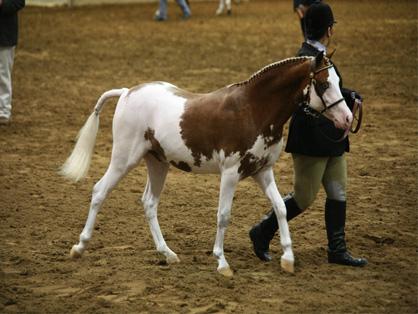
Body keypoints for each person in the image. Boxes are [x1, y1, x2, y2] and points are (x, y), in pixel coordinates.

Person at [249, 1, 367, 267]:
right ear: (329, 29)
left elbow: (327, 91)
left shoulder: (317, 57)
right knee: (304, 197)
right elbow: (308, 97)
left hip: (332, 136)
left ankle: (337, 249)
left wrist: (349, 95)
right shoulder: (305, 60)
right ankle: (262, 232)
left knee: (339, 192)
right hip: (311, 139)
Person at [0, 0, 25, 125]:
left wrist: (2, 4)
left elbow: (19, 2)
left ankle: (3, 111)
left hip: (4, 34)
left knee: (3, 74)